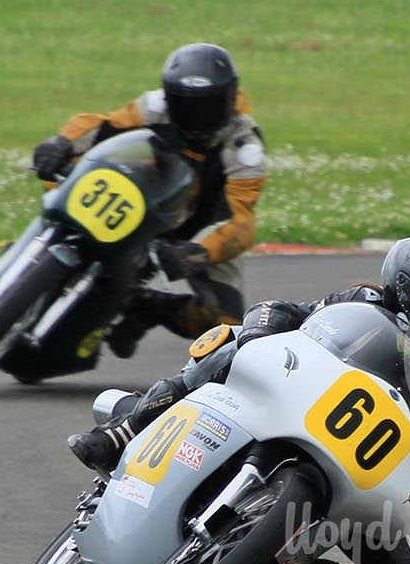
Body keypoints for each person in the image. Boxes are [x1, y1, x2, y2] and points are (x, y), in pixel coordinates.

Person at [67, 232, 410, 564]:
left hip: (358, 472)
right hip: (282, 408)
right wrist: (258, 338)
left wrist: (408, 479)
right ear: (406, 296)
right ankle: (127, 428)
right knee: (229, 339)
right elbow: (277, 312)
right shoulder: (360, 303)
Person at [31, 42, 269, 357]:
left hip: (201, 231)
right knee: (61, 177)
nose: (196, 116)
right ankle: (45, 238)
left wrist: (196, 253)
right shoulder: (153, 107)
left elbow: (240, 221)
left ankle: (149, 308)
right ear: (169, 97)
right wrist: (61, 143)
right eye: (185, 105)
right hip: (143, 200)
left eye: (208, 106)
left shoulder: (245, 148)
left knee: (227, 325)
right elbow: (101, 126)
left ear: (230, 98)